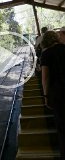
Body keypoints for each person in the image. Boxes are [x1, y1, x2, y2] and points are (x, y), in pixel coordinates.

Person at [41, 31, 65, 159]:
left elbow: (45, 77)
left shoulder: (46, 54)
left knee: (62, 128)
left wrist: (46, 96)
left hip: (58, 94)